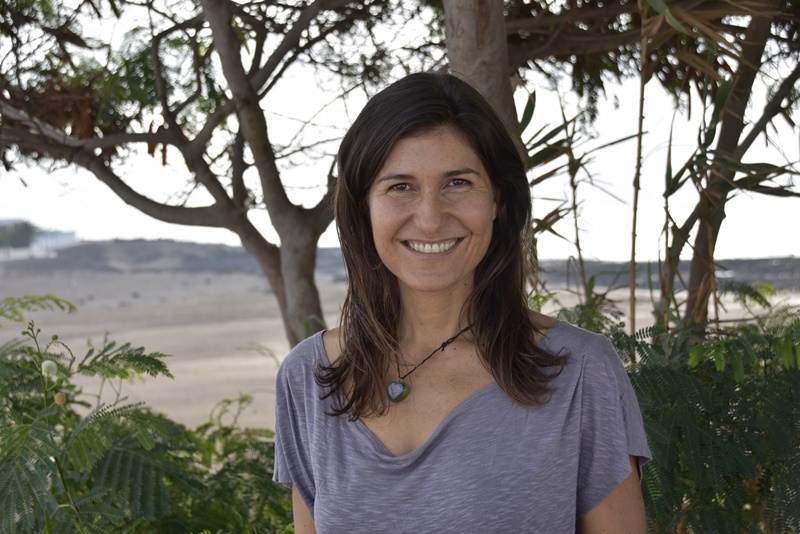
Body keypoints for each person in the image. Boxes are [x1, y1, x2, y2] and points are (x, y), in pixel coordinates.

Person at [273, 72, 651, 533]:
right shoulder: (308, 378)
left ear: (497, 200)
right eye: (400, 186)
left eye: (457, 182)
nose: (430, 219)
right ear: (363, 207)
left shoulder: (579, 372)